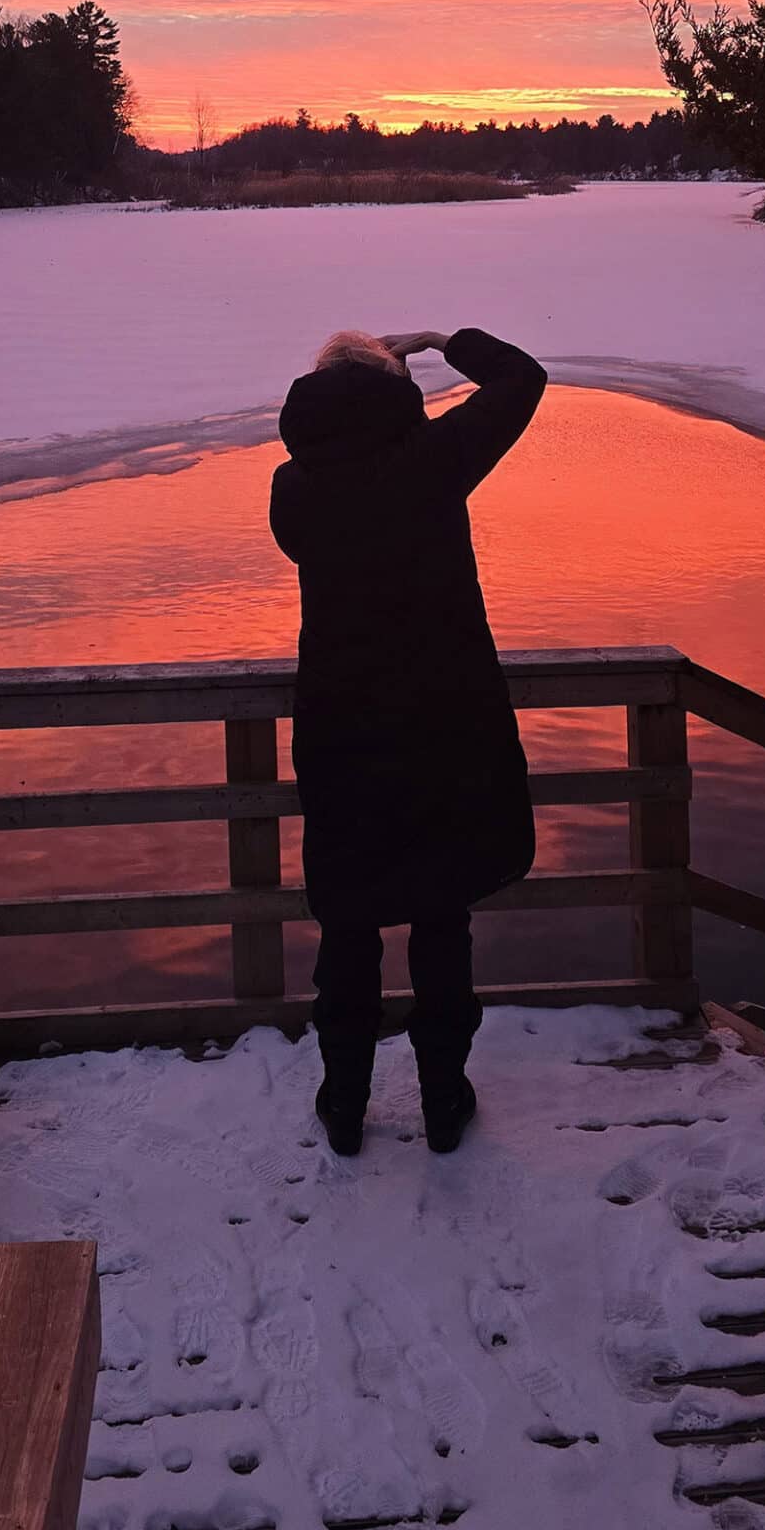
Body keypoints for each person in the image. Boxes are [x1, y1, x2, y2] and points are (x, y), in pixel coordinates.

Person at [270, 324, 547, 1156]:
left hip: (341, 731)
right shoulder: (431, 465)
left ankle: (346, 1101)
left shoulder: (295, 487)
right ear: (398, 392)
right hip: (442, 728)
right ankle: (443, 1097)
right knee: (439, 916)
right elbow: (522, 378)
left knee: (348, 925)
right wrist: (442, 339)